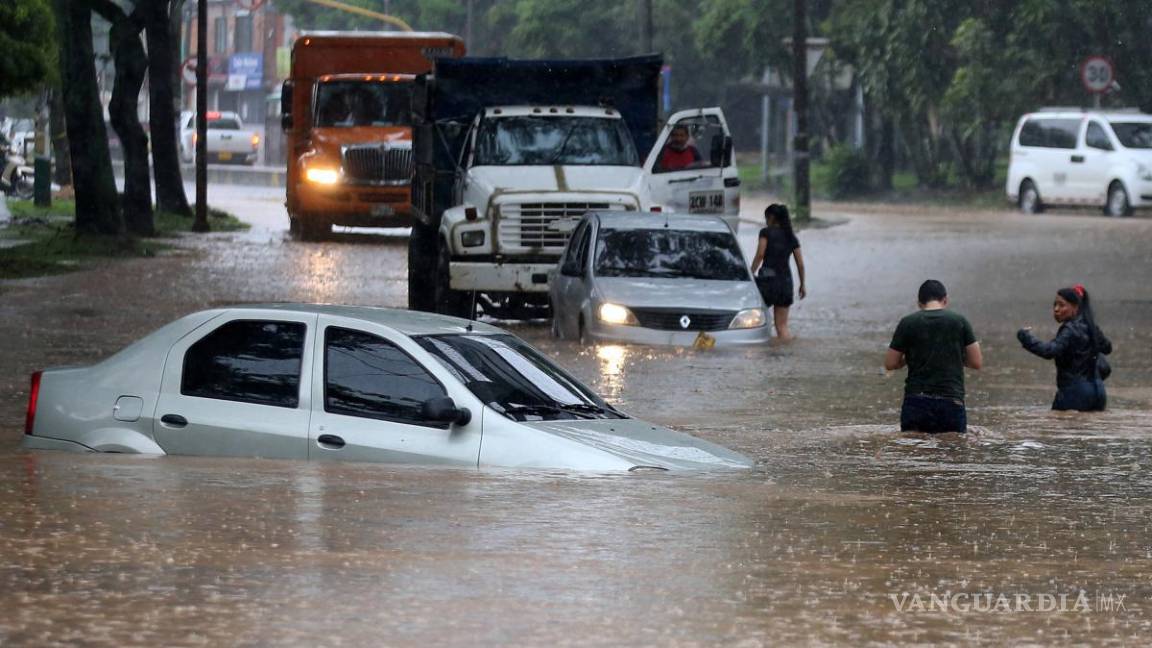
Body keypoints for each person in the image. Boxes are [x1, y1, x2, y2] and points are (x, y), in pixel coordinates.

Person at [884, 280, 983, 433]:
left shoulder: (908, 323)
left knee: (914, 451)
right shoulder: (959, 321)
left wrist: (908, 359)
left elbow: (890, 363)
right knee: (952, 451)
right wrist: (952, 355)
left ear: (919, 303)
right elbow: (976, 362)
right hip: (951, 401)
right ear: (945, 300)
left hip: (916, 402)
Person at [1017, 284, 1112, 411]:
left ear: (1075, 307)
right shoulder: (1092, 328)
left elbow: (1049, 351)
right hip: (1099, 394)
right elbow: (1107, 348)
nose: (1056, 309)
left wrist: (1025, 337)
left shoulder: (1069, 329)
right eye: (1054, 305)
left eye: (1061, 305)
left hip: (1074, 394)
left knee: (1061, 429)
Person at [750, 204, 806, 341]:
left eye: (766, 217)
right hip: (785, 283)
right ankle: (785, 355)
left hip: (767, 283)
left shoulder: (766, 232)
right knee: (782, 326)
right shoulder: (791, 237)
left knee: (751, 320)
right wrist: (802, 285)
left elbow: (760, 255)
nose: (765, 221)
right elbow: (800, 264)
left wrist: (749, 274)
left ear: (772, 217)